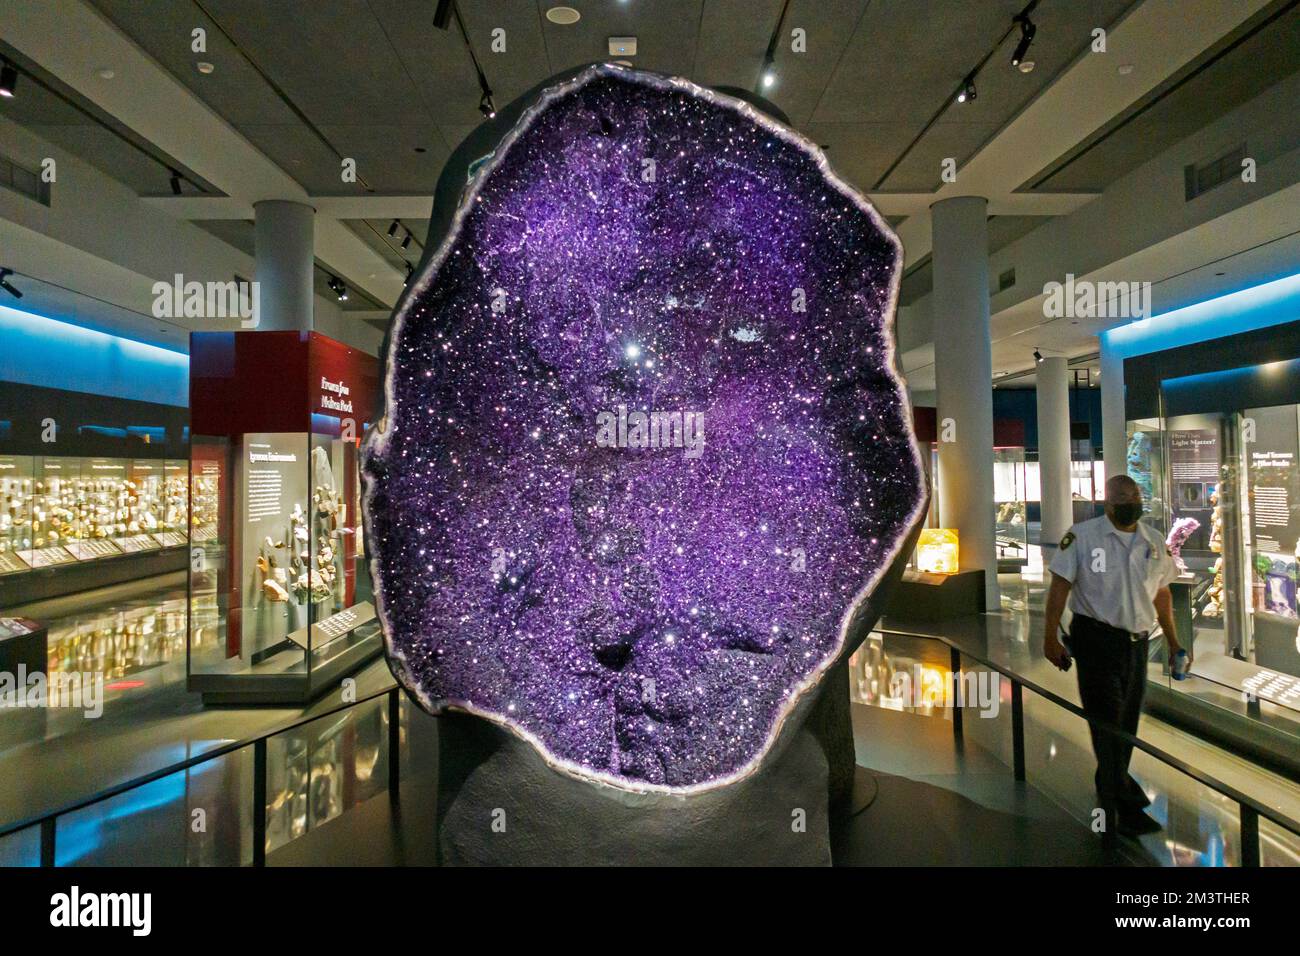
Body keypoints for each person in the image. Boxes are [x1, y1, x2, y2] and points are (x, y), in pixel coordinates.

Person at [1042, 474, 1185, 840]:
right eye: (1122, 496)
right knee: (1107, 723)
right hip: (1095, 642)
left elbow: (1163, 596)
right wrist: (1049, 637)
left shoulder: (1153, 542)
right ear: (1107, 502)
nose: (1130, 501)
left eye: (1134, 495)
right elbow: (1060, 587)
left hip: (1137, 645)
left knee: (1126, 727)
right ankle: (1116, 808)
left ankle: (1114, 790)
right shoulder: (1083, 537)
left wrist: (1174, 643)